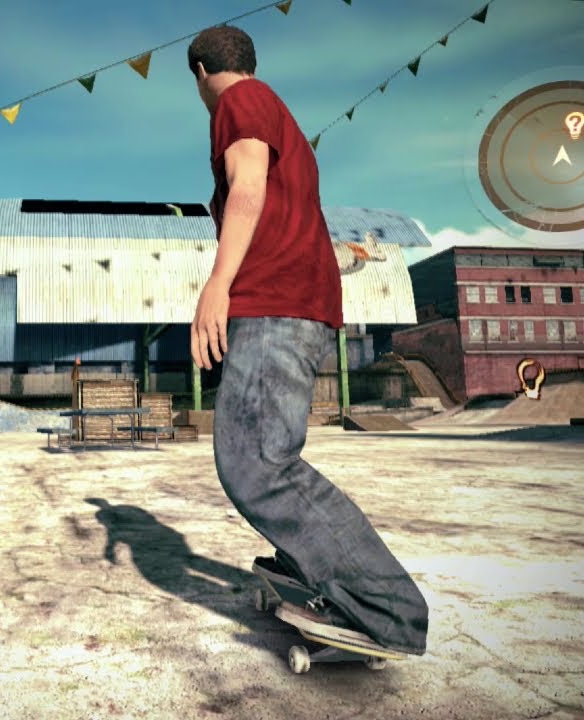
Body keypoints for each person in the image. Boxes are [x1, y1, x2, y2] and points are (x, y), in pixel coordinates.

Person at [185, 25, 429, 655]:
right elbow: (287, 214)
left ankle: (386, 609)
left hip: (273, 303)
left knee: (257, 463)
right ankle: (313, 565)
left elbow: (247, 188)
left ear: (201, 71)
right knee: (269, 453)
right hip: (299, 305)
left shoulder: (239, 101)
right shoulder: (281, 120)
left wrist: (218, 284)